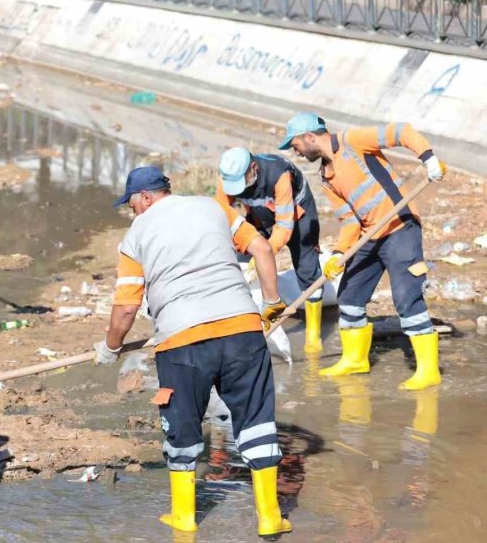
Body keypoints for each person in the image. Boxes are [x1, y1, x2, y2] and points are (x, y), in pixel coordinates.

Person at [94, 166, 292, 537]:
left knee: (183, 426)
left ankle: (184, 518)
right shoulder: (214, 207)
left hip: (182, 341)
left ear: (146, 197)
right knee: (257, 423)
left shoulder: (136, 234)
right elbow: (262, 248)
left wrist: (110, 347)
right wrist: (271, 303)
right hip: (242, 331)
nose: (132, 211)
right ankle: (270, 517)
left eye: (132, 203)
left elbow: (125, 308)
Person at [279, 112, 446, 390]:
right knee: (349, 296)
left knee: (406, 297)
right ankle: (356, 360)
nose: (295, 152)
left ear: (310, 137)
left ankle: (428, 370)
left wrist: (428, 158)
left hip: (399, 227)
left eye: (295, 145)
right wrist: (338, 254)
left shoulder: (353, 141)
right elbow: (349, 221)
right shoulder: (326, 175)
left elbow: (401, 130)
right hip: (369, 235)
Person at [216, 147, 324, 353]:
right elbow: (222, 216)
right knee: (239, 260)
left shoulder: (279, 174)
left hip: (297, 213)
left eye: (240, 184)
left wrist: (264, 254)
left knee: (306, 266)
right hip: (259, 214)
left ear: (253, 169)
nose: (236, 190)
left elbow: (284, 226)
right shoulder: (227, 179)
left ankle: (313, 336)